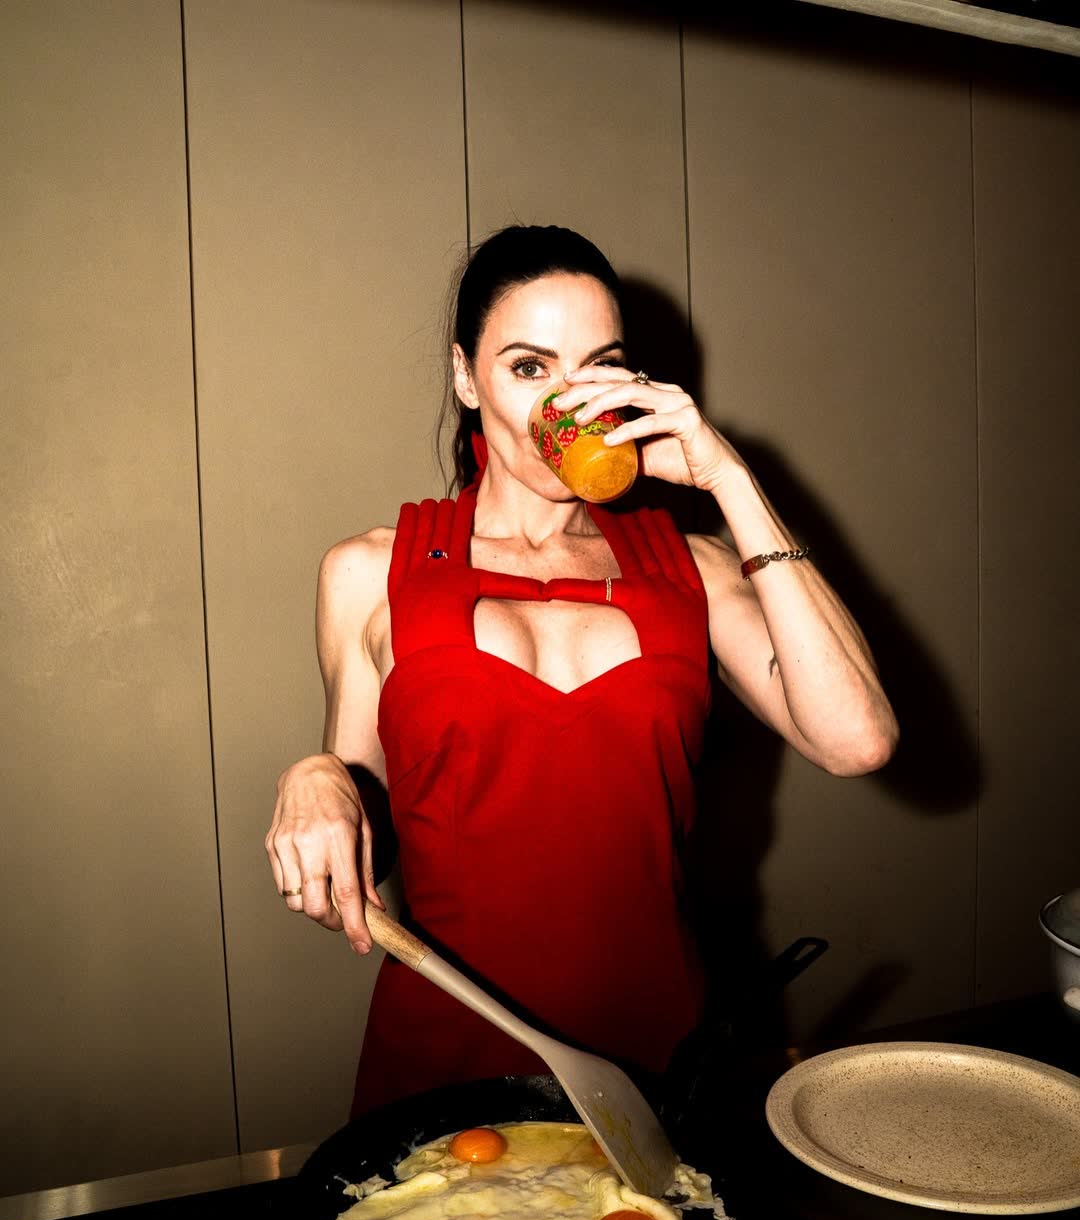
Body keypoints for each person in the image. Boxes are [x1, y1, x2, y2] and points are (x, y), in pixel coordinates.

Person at [264, 225, 898, 1117]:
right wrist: (315, 775)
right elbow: (362, 847)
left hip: (658, 1059)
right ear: (465, 377)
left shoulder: (694, 565)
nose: (567, 403)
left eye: (598, 366)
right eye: (530, 367)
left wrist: (731, 480)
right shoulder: (371, 571)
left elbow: (859, 738)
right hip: (449, 1062)